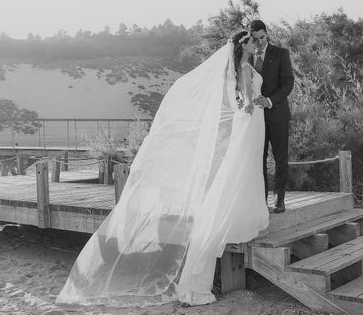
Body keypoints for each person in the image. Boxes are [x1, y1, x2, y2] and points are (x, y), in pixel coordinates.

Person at [56, 31, 269, 308]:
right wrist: (259, 103)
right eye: (253, 41)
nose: (256, 45)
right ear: (244, 45)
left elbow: (234, 101)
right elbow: (246, 103)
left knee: (238, 176)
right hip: (248, 124)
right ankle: (215, 250)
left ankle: (240, 216)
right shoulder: (241, 67)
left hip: (246, 127)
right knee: (238, 176)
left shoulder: (236, 67)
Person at [249, 20, 295, 213]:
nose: (259, 42)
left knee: (280, 157)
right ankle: (261, 199)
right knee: (258, 158)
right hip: (254, 118)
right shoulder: (246, 57)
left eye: (262, 37)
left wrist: (269, 101)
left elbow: (288, 83)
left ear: (267, 34)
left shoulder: (281, 53)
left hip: (277, 114)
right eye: (255, 39)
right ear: (250, 37)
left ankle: (279, 198)